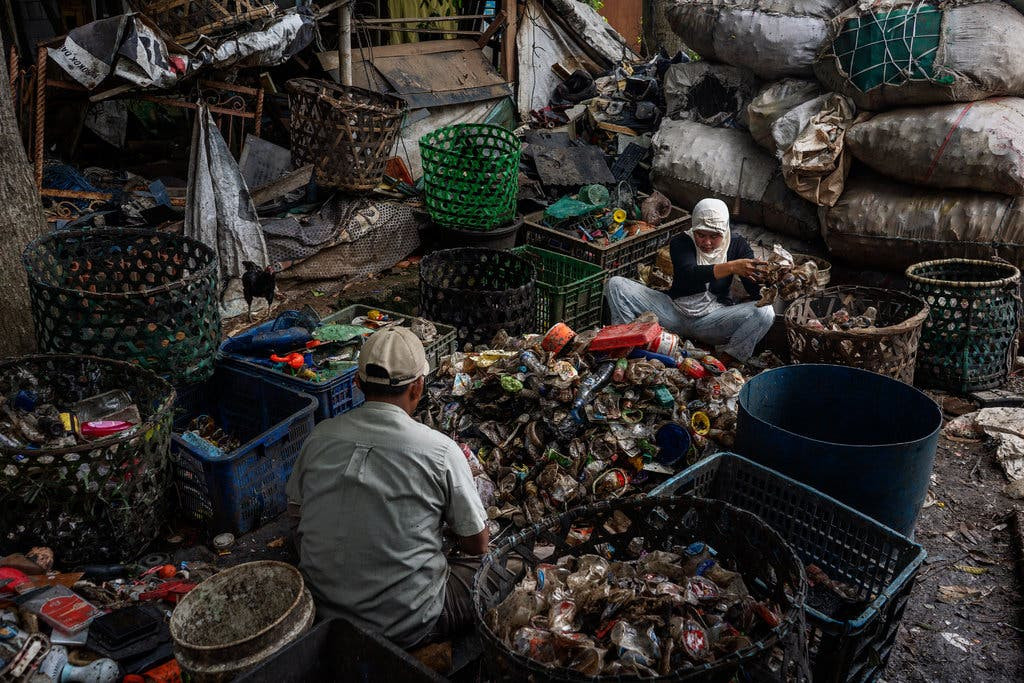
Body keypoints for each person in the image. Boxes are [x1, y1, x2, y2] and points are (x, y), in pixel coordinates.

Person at [286, 326, 489, 649]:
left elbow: (296, 519)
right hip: (409, 625)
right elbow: (477, 545)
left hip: (323, 613)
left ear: (357, 384)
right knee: (501, 567)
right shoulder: (440, 451)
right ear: (418, 387)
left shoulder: (319, 436)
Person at [605, 197, 774, 362]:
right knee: (616, 285)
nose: (707, 242)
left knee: (765, 311)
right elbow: (689, 273)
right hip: (673, 312)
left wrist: (769, 279)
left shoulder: (737, 245)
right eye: (701, 234)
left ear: (724, 230)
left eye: (714, 236)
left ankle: (726, 360)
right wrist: (731, 267)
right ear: (694, 229)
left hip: (712, 321)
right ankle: (627, 342)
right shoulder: (681, 241)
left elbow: (756, 293)